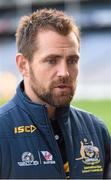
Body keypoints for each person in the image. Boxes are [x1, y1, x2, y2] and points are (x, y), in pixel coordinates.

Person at [0, 8, 110, 179]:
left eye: (72, 60)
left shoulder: (96, 130)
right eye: (51, 60)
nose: (64, 72)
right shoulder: (3, 130)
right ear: (23, 65)